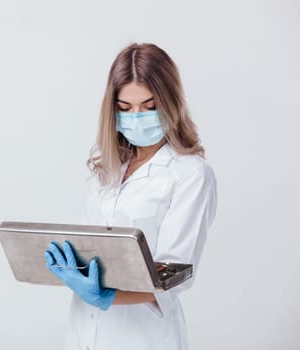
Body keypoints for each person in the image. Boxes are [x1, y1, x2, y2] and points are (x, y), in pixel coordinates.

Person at [44, 42, 218, 350]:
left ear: (171, 103)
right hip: (85, 332)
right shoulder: (108, 170)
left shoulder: (190, 174)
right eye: (125, 109)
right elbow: (90, 247)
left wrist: (106, 295)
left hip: (143, 338)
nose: (136, 117)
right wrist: (73, 269)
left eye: (149, 107)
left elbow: (175, 274)